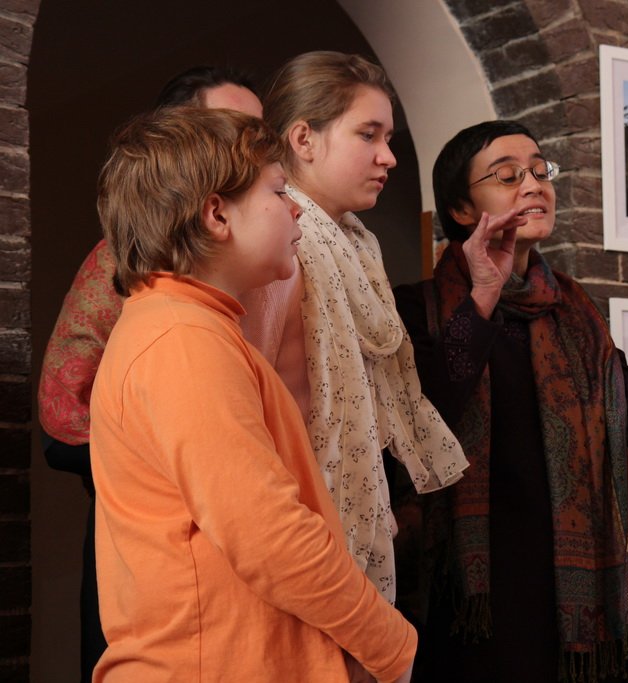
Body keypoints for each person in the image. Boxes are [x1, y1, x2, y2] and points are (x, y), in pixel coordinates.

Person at [392, 120, 628, 683]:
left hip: (571, 589)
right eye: (507, 175)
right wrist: (484, 296)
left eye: (540, 171)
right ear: (462, 209)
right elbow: (428, 412)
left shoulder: (574, 312)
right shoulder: (417, 307)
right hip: (475, 594)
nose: (533, 184)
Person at [89, 106, 416, 682]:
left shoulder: (195, 328)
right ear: (217, 214)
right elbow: (268, 534)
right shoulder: (183, 339)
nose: (296, 208)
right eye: (279, 191)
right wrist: (388, 643)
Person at [35, 64, 263, 682]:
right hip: (153, 537)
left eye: (258, 130)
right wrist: (170, 470)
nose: (254, 146)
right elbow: (62, 410)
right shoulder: (126, 257)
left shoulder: (272, 248)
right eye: (232, 128)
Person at [257, 51, 468, 603]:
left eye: (388, 137)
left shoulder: (356, 247)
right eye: (368, 134)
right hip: (291, 526)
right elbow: (248, 402)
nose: (389, 157)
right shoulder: (279, 246)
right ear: (304, 139)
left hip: (343, 513)